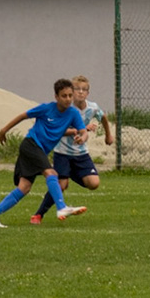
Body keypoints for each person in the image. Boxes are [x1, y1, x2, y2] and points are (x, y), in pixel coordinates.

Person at [0, 79, 91, 228]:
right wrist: (3, 130)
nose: (68, 99)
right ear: (56, 97)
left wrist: (81, 138)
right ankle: (61, 207)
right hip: (31, 145)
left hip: (39, 151)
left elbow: (83, 131)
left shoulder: (73, 114)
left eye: (70, 95)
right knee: (51, 173)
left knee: (24, 187)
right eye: (64, 96)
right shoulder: (46, 109)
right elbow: (23, 116)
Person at [31, 73, 115, 225]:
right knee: (61, 185)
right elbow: (59, 130)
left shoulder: (92, 108)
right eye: (77, 89)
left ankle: (69, 174)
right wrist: (80, 130)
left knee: (94, 184)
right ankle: (38, 215)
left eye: (84, 89)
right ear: (71, 91)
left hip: (81, 154)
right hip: (62, 153)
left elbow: (103, 117)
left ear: (88, 93)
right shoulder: (65, 109)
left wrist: (108, 135)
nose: (81, 92)